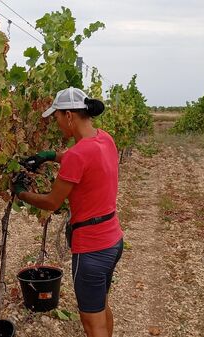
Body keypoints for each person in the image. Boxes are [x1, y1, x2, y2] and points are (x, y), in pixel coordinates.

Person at [13, 87, 124, 337]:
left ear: (70, 116)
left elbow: (52, 202)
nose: (57, 122)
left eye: (57, 117)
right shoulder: (104, 139)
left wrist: (21, 192)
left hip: (91, 249)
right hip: (113, 240)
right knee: (102, 305)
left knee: (90, 322)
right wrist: (51, 156)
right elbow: (84, 159)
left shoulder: (77, 154)